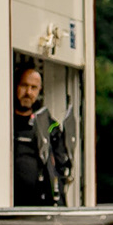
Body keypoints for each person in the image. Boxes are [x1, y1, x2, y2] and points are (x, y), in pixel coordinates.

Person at [13, 64, 69, 207]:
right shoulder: (5, 122)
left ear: (40, 91)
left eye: (34, 88)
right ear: (15, 86)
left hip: (40, 206)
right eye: (24, 86)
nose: (28, 92)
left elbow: (60, 167)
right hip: (9, 203)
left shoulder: (50, 127)